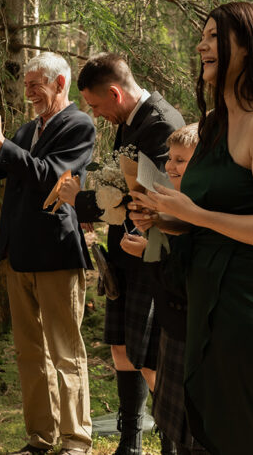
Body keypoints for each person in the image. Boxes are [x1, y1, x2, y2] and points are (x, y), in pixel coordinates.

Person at [132, 1, 253, 455]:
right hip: (206, 294)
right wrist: (165, 217)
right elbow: (209, 216)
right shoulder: (214, 125)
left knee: (252, 435)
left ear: (248, 49)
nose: (201, 45)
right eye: (203, 36)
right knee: (213, 430)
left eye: (214, 36)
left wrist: (193, 215)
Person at [0, 52, 96, 455]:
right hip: (17, 256)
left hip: (56, 254)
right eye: (27, 84)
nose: (29, 92)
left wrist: (1, 140)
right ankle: (40, 438)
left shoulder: (79, 125)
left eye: (36, 85)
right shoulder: (28, 127)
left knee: (65, 352)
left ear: (60, 83)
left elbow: (50, 176)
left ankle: (76, 440)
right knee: (30, 353)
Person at [58, 53, 184, 455]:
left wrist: (84, 201)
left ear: (114, 92)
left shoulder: (160, 122)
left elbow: (152, 196)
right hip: (124, 253)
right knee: (122, 348)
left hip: (152, 253)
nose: (96, 114)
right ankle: (129, 443)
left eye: (96, 106)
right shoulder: (130, 119)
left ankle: (172, 440)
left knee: (149, 357)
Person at [129, 124, 207, 455]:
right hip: (172, 327)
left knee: (193, 432)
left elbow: (179, 278)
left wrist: (147, 254)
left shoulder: (201, 207)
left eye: (181, 160)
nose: (171, 167)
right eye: (170, 159)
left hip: (193, 331)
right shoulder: (173, 204)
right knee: (172, 427)